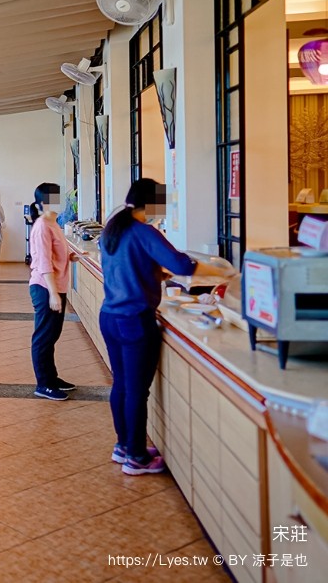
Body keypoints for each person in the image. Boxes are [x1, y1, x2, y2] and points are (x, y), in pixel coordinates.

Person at [99, 179, 235, 476]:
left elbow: (127, 267)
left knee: (121, 385)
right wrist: (225, 271)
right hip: (134, 320)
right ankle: (136, 456)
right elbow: (182, 265)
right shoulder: (144, 231)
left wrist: (155, 276)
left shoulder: (114, 228)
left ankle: (124, 445)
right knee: (136, 391)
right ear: (153, 203)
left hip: (109, 316)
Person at [28, 182, 77, 401]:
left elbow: (55, 253)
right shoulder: (41, 226)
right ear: (44, 201)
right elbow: (43, 262)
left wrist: (70, 257)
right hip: (45, 287)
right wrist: (53, 293)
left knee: (52, 335)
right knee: (44, 337)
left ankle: (52, 377)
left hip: (56, 285)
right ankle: (43, 384)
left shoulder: (54, 223)